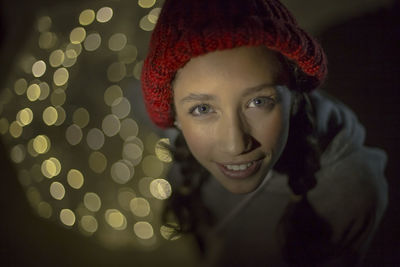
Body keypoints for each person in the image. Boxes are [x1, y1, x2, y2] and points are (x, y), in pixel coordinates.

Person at [140, 0, 388, 266]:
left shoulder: (350, 192)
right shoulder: (176, 149)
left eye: (258, 102)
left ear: (293, 97)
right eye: (202, 108)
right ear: (174, 115)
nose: (236, 144)